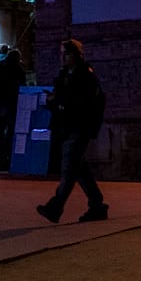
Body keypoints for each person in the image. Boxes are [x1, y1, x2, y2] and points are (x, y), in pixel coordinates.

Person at [36, 38, 108, 224]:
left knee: (69, 169)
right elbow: (63, 99)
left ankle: (55, 206)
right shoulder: (64, 75)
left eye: (66, 53)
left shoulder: (86, 76)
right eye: (61, 53)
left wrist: (59, 104)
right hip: (66, 127)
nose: (63, 57)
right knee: (79, 169)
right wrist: (53, 101)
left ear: (76, 55)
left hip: (79, 127)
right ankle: (97, 205)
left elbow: (85, 103)